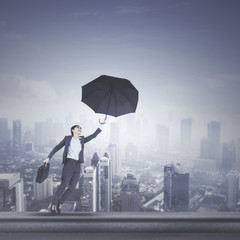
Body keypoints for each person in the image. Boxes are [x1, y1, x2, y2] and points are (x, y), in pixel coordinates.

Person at [43, 120, 106, 214]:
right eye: (78, 128)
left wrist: (101, 125)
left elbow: (93, 136)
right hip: (69, 163)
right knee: (64, 184)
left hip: (78, 165)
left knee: (72, 187)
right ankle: (54, 203)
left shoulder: (82, 139)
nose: (80, 129)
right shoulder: (67, 138)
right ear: (73, 130)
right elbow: (57, 147)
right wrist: (48, 157)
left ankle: (61, 202)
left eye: (81, 128)